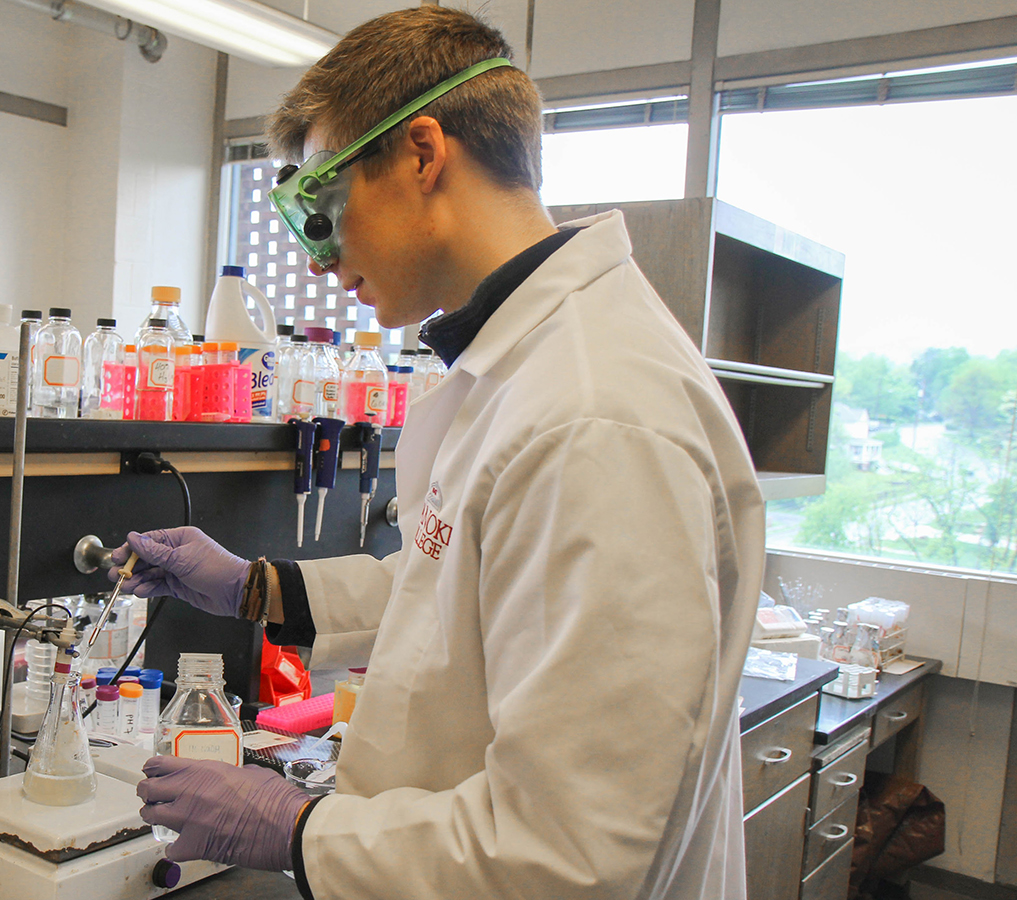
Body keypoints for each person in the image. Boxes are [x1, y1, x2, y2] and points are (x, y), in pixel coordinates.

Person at [113, 8, 764, 900]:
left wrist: (297, 830)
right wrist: (257, 586)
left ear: (423, 153)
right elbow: (454, 585)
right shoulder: (522, 369)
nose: (315, 258)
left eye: (322, 206)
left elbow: (572, 855)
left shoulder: (593, 415)